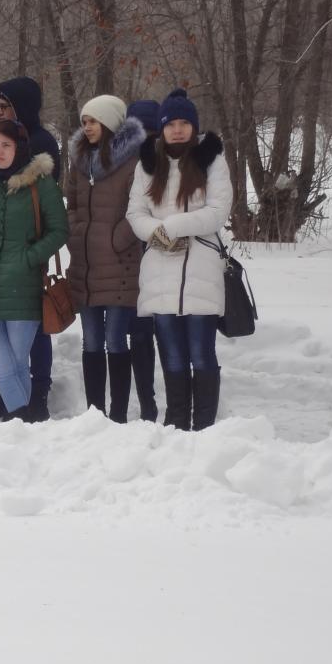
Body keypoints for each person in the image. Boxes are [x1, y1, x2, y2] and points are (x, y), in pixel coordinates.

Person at [127, 89, 231, 430]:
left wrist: (173, 226)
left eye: (185, 122)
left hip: (200, 268)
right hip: (160, 269)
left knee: (201, 354)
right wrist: (158, 235)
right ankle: (176, 423)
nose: (177, 129)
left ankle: (204, 425)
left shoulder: (211, 159)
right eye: (171, 123)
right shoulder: (149, 163)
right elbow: (135, 212)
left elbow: (217, 212)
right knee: (171, 356)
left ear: (194, 126)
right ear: (161, 127)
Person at [0, 120, 67, 420]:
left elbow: (59, 230)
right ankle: (25, 421)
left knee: (15, 364)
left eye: (6, 145)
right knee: (4, 364)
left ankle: (20, 423)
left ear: (20, 148)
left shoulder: (41, 184)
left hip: (23, 286)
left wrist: (29, 257)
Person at [66, 95, 147, 421]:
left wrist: (116, 240)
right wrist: (76, 232)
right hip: (85, 264)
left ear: (110, 123)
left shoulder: (132, 164)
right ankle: (94, 412)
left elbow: (139, 209)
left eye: (93, 121)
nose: (87, 127)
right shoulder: (80, 163)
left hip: (118, 265)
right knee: (91, 341)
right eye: (84, 121)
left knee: (115, 339)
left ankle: (117, 413)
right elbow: (70, 204)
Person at [0, 76, 61, 421]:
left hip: (31, 245)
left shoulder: (43, 141)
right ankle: (3, 390)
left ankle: (39, 390)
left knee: (35, 321)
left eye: (6, 106)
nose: (1, 112)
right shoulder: (1, 139)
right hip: (0, 248)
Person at [124, 98, 162, 421]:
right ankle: (147, 402)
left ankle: (163, 401)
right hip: (129, 265)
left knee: (164, 335)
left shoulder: (169, 164)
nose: (145, 139)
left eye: (151, 131)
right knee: (138, 336)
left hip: (163, 261)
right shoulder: (122, 163)